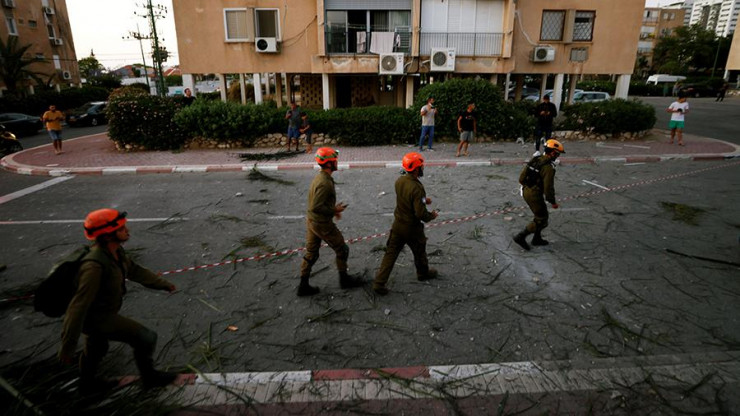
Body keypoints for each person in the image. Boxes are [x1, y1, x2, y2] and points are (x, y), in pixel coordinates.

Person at [59, 209, 178, 394]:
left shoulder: (115, 252)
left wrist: (163, 284)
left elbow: (134, 270)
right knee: (146, 337)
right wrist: (68, 347)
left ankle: (87, 385)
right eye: (121, 229)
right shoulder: (94, 267)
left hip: (104, 312)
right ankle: (150, 378)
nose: (127, 230)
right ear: (108, 236)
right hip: (97, 318)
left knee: (97, 348)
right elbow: (78, 307)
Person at [298, 147, 362, 296]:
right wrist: (334, 210)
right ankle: (344, 280)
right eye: (335, 160)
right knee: (342, 249)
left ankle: (303, 285)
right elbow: (316, 206)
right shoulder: (325, 183)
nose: (337, 162)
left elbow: (317, 204)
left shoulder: (320, 177)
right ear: (328, 164)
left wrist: (333, 210)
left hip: (312, 222)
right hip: (322, 224)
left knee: (311, 253)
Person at [372, 152, 438, 295]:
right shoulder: (417, 188)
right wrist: (431, 216)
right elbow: (420, 213)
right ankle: (423, 273)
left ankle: (379, 282)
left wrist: (423, 200)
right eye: (421, 166)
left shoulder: (399, 181)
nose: (422, 168)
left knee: (390, 254)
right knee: (419, 251)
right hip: (412, 228)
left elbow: (407, 198)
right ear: (416, 169)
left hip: (398, 225)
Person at [513, 139, 564, 251]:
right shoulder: (548, 168)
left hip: (526, 190)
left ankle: (537, 238)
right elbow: (548, 189)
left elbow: (521, 178)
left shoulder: (536, 159)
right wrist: (553, 202)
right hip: (534, 194)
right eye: (557, 154)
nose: (558, 156)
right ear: (553, 153)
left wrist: (528, 186)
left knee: (539, 215)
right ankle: (520, 237)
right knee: (542, 219)